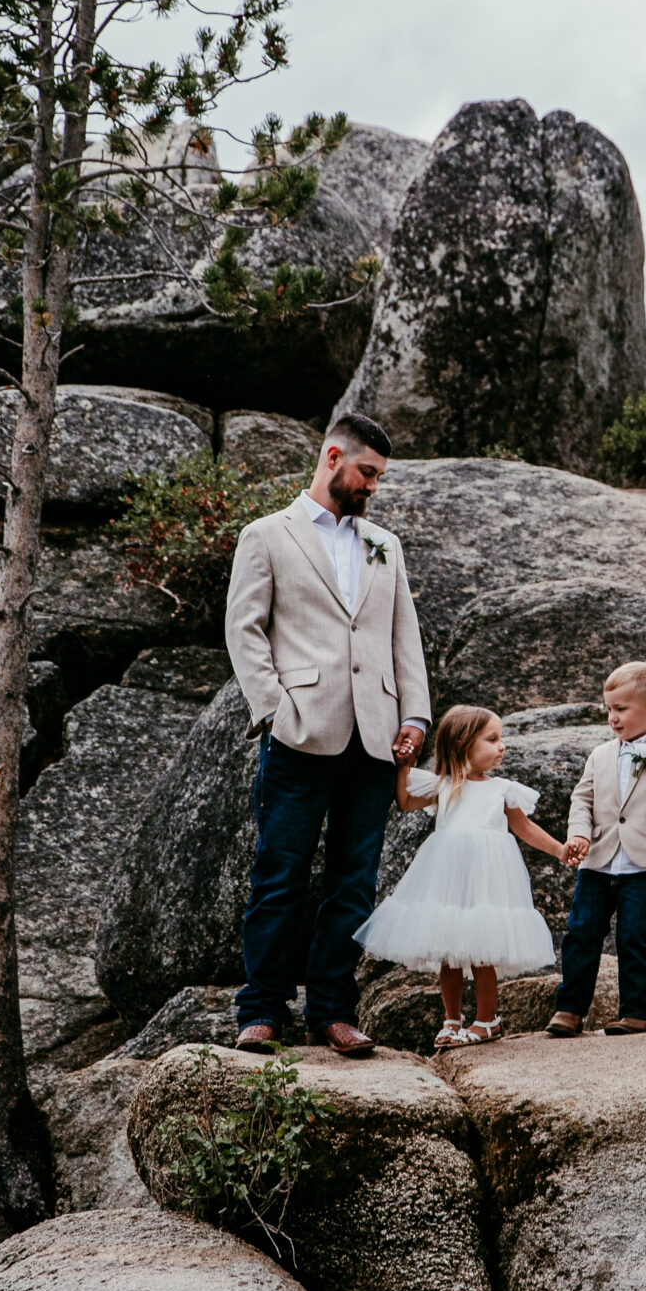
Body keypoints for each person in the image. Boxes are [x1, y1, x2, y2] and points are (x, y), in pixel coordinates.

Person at [224, 410, 430, 1059]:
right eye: (367, 472)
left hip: (374, 738)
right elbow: (244, 628)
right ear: (334, 456)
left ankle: (333, 1011)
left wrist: (415, 717)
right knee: (279, 874)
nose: (372, 486)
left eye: (379, 477)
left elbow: (404, 637)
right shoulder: (266, 535)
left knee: (354, 880)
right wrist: (274, 709)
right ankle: (261, 1009)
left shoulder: (384, 545)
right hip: (299, 734)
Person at [355, 705, 583, 1048]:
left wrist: (559, 849)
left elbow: (524, 828)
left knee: (482, 948)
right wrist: (404, 767)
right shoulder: (443, 785)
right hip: (448, 874)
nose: (501, 746)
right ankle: (451, 1019)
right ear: (463, 744)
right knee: (449, 950)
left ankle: (487, 1019)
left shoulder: (501, 789)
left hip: (488, 876)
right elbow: (404, 801)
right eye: (492, 739)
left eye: (500, 739)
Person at [545, 661, 646, 1037]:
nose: (612, 718)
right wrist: (578, 833)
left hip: (643, 864)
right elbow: (580, 799)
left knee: (634, 937)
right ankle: (569, 1009)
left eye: (621, 709)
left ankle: (637, 1012)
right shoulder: (600, 754)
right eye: (609, 710)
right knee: (580, 933)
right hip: (598, 861)